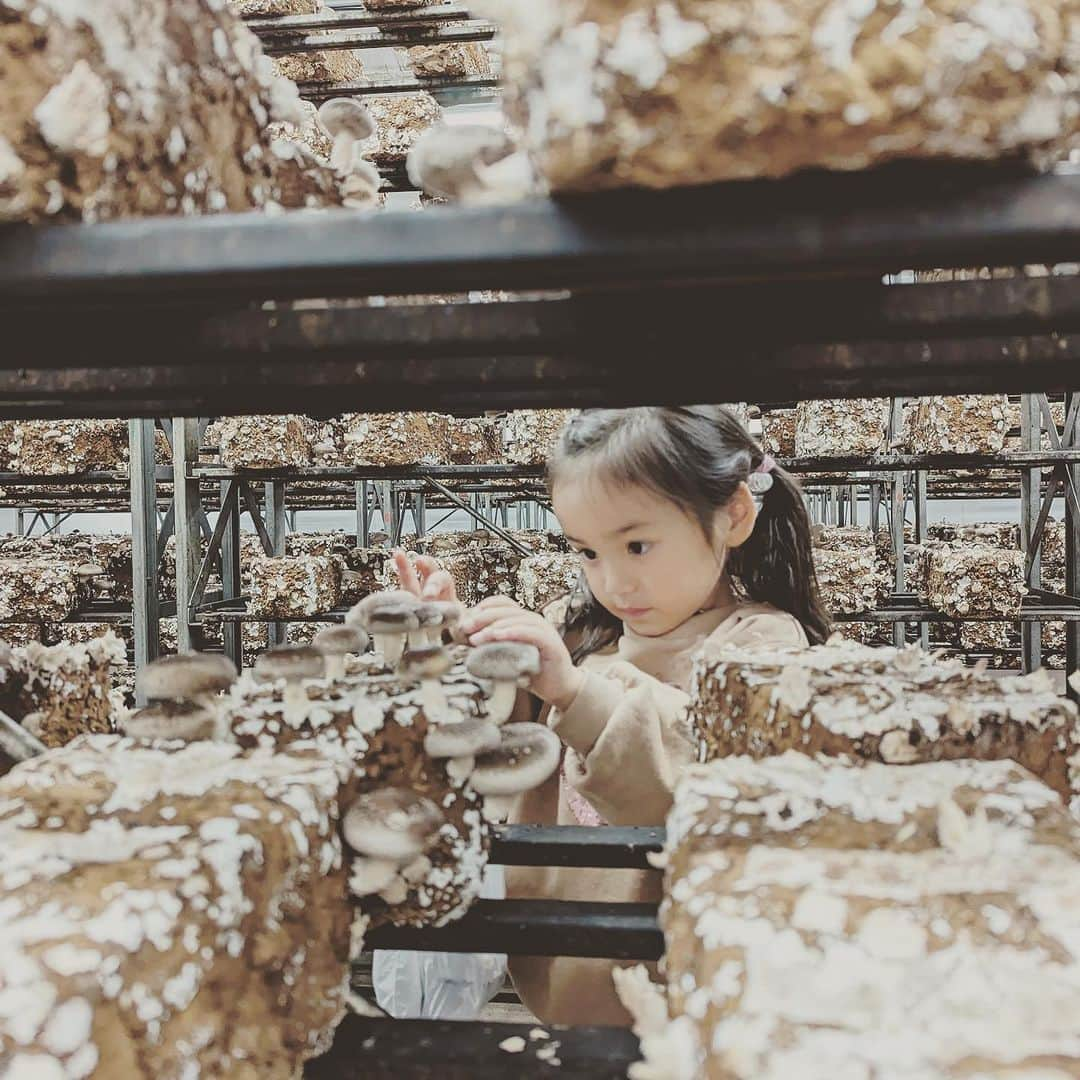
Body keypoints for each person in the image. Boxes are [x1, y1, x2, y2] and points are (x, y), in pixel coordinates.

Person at [392, 405, 829, 1026]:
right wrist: (461, 655)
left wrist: (576, 692)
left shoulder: (761, 646)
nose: (613, 581)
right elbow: (506, 749)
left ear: (733, 515)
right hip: (568, 973)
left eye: (637, 545)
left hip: (683, 994)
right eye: (589, 552)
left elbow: (703, 779)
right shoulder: (586, 636)